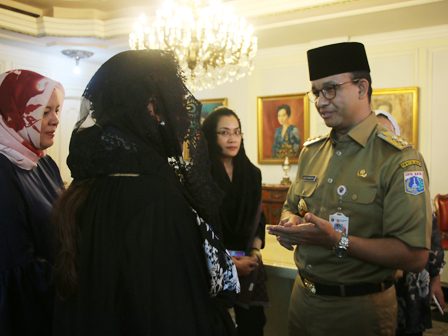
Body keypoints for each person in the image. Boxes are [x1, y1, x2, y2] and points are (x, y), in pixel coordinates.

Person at [52, 50, 239, 336]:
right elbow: (174, 316)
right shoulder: (156, 200)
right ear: (151, 108)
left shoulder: (87, 185)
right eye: (174, 104)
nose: (182, 118)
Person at [267, 42, 432, 336]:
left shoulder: (399, 159)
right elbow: (292, 205)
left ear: (361, 87)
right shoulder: (311, 151)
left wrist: (336, 240)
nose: (320, 101)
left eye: (330, 88)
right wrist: (290, 221)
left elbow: (414, 255)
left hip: (359, 309)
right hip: (301, 299)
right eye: (316, 92)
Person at [0, 69, 65, 335]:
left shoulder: (44, 162)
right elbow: (19, 267)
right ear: (14, 112)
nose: (55, 120)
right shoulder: (3, 169)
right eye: (45, 111)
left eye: (58, 110)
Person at [375, 110, 446, 336]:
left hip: (411, 280)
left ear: (397, 135)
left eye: (387, 133)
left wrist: (435, 279)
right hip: (375, 282)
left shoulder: (410, 170)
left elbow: (431, 232)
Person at [202, 106, 269, 336]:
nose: (232, 138)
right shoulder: (199, 176)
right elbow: (197, 228)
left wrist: (255, 253)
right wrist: (227, 263)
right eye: (224, 132)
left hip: (248, 267)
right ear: (211, 136)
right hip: (212, 270)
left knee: (251, 327)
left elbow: (259, 219)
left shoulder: (252, 174)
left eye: (237, 131)